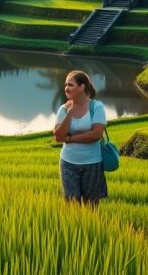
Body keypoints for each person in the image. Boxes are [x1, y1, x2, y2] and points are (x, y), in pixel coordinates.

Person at [53, 70, 107, 206]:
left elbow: (96, 135)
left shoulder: (97, 107)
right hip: (68, 163)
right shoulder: (64, 109)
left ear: (82, 87)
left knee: (91, 206)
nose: (66, 88)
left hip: (92, 163)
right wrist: (70, 114)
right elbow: (59, 137)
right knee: (72, 206)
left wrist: (70, 138)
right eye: (65, 84)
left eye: (70, 85)